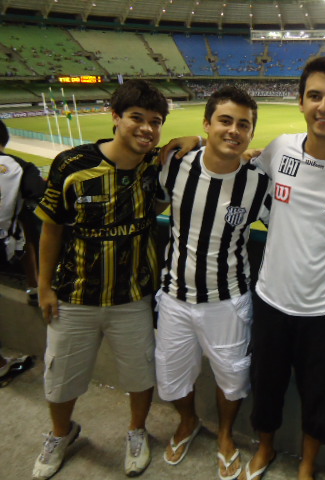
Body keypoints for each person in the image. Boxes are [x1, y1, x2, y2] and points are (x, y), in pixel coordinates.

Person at [166, 57, 325, 480]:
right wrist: (191, 139)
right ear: (300, 101)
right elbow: (234, 163)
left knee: (321, 395)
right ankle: (265, 449)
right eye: (315, 96)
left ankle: (309, 464)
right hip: (270, 301)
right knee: (268, 385)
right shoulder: (279, 150)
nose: (324, 106)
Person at [32, 79, 169, 480]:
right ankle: (62, 434)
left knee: (140, 374)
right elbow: (52, 228)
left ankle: (137, 431)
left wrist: (187, 137)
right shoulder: (72, 164)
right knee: (60, 377)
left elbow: (186, 149)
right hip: (74, 294)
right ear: (115, 118)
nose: (146, 128)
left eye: (155, 122)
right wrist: (44, 286)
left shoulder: (154, 166)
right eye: (136, 118)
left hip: (133, 296)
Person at [155, 86, 270, 480]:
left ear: (252, 133)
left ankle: (225, 435)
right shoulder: (176, 164)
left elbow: (296, 225)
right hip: (173, 296)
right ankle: (187, 423)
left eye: (244, 124)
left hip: (228, 300)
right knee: (172, 376)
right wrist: (185, 142)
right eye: (225, 121)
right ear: (206, 125)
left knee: (233, 378)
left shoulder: (259, 184)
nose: (234, 130)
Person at [0, 118, 46, 305]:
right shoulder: (21, 167)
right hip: (8, 244)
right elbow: (39, 193)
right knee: (26, 223)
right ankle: (34, 287)